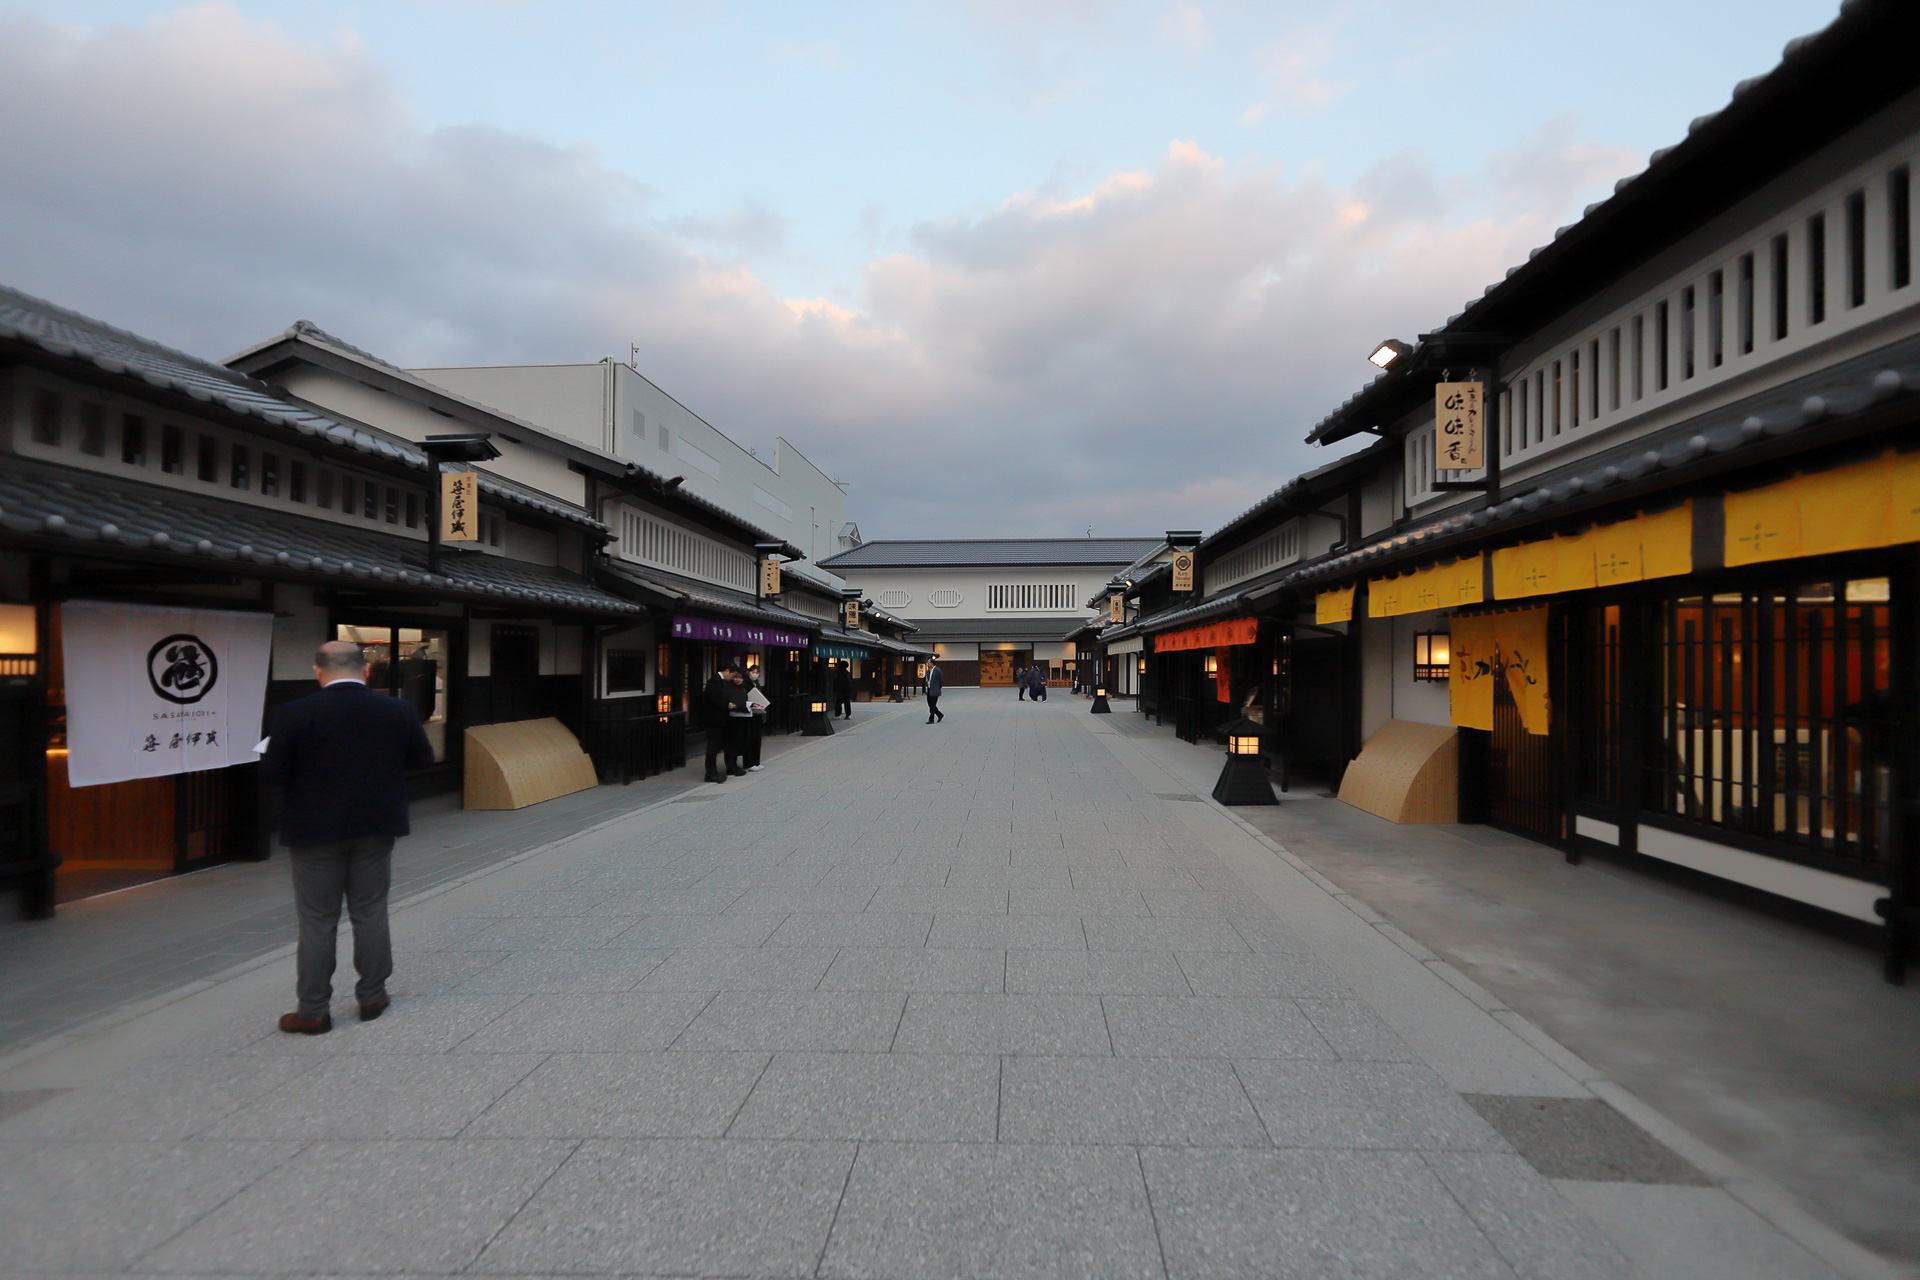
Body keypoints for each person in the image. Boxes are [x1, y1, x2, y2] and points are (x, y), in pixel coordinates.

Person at [261, 640, 435, 1035]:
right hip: (376, 824)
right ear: (366, 671)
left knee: (317, 920)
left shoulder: (295, 713)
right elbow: (423, 759)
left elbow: (272, 775)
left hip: (314, 829)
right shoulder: (397, 710)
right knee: (370, 909)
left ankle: (313, 1010)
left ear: (317, 671)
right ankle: (372, 996)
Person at [702, 663, 739, 782]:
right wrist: (726, 704)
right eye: (732, 675)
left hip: (723, 719)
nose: (732, 678)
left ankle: (728, 767)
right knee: (713, 746)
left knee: (723, 744)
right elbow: (711, 698)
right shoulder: (714, 681)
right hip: (714, 719)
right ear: (727, 671)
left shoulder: (724, 682)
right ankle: (710, 773)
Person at [724, 665, 753, 775]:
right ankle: (730, 766)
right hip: (731, 719)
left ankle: (735, 765)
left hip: (743, 718)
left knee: (740, 742)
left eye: (740, 678)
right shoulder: (728, 687)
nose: (738, 680)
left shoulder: (745, 688)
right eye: (735, 677)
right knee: (731, 743)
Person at [925, 658, 944, 723]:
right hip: (929, 689)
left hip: (935, 690)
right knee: (930, 704)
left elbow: (941, 680)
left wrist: (938, 687)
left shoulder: (937, 670)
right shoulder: (928, 671)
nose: (927, 664)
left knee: (933, 705)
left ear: (932, 664)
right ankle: (939, 714)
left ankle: (931, 719)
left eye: (928, 663)